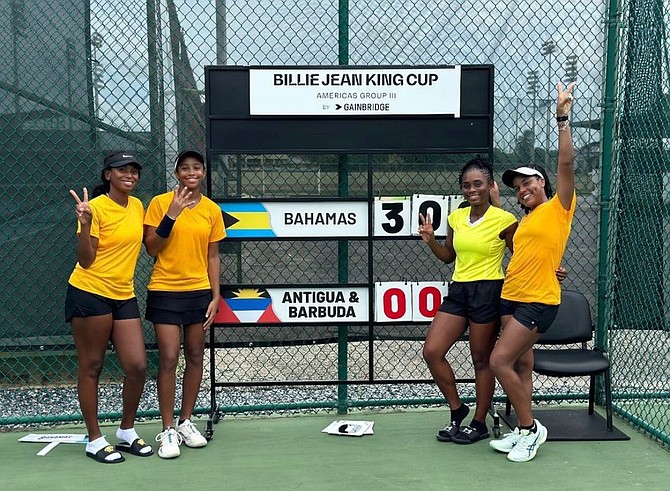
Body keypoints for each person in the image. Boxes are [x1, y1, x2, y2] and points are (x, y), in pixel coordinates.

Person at [488, 82, 577, 462]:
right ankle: (523, 428)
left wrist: (562, 118)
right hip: (512, 295)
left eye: (527, 181)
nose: (522, 188)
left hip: (539, 301)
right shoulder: (526, 220)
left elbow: (567, 164)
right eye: (517, 186)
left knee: (498, 362)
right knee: (521, 363)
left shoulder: (560, 207)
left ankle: (529, 429)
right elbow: (526, 252)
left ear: (542, 182)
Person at [419, 156, 518, 445]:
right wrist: (431, 241)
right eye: (466, 185)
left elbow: (521, 257)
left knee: (481, 361)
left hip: (489, 290)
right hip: (459, 290)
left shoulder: (505, 220)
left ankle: (479, 422)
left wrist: (550, 271)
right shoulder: (455, 217)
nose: (471, 189)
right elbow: (449, 256)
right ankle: (457, 408)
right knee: (432, 351)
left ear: (490, 186)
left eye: (477, 184)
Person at [65, 152, 153, 464]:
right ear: (108, 175)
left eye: (134, 170)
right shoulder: (95, 208)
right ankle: (94, 438)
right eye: (122, 170)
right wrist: (85, 223)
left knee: (137, 365)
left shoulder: (138, 205)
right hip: (90, 293)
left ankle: (126, 431)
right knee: (92, 366)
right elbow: (85, 260)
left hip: (123, 295)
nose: (130, 175)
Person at [144, 150, 225, 459]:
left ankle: (185, 422)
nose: (192, 172)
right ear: (177, 173)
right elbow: (152, 247)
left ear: (203, 172)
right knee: (168, 357)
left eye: (197, 167)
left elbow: (213, 255)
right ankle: (166, 430)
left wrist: (215, 296)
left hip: (198, 292)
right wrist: (172, 214)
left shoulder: (211, 210)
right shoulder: (159, 203)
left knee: (194, 355)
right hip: (165, 290)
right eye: (185, 168)